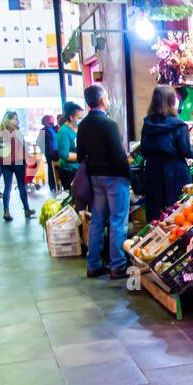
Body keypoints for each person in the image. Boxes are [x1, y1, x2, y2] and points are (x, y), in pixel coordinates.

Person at [76, 84, 131, 279]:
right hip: (115, 177)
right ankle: (118, 266)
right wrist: (130, 175)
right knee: (118, 220)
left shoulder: (82, 125)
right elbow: (119, 156)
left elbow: (81, 154)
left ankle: (93, 265)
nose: (108, 100)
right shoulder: (109, 125)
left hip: (95, 178)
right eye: (107, 97)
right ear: (101, 100)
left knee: (97, 220)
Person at [139, 84, 193, 221]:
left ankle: (156, 239)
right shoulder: (179, 125)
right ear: (171, 101)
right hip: (176, 174)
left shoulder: (148, 124)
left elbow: (143, 150)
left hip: (153, 173)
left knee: (156, 213)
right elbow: (187, 151)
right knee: (179, 212)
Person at [0, 110, 33, 222]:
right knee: (21, 186)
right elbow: (22, 148)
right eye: (15, 118)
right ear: (8, 119)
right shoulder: (17, 132)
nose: (17, 120)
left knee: (7, 187)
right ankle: (26, 209)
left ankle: (6, 210)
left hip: (5, 164)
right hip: (18, 162)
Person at [56, 101, 82, 191]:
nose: (81, 120)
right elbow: (64, 154)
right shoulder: (64, 131)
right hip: (69, 171)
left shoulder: (80, 129)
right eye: (79, 118)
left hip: (80, 169)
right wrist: (83, 156)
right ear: (71, 117)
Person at [41, 113, 60, 192]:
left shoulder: (53, 128)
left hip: (55, 152)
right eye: (51, 119)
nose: (53, 120)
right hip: (50, 153)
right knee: (51, 169)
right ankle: (52, 185)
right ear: (47, 120)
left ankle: (56, 184)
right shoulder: (44, 130)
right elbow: (40, 142)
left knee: (55, 169)